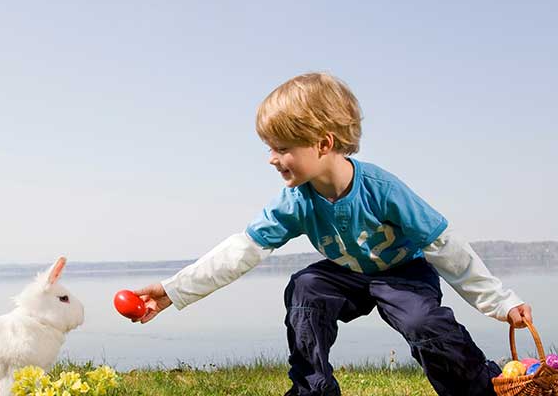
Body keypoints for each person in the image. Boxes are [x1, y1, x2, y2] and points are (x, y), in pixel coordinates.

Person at [134, 72, 533, 396]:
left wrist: (500, 302)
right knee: (307, 287)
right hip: (346, 274)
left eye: (280, 147)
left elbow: (446, 247)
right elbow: (242, 250)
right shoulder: (296, 200)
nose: (271, 158)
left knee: (423, 323)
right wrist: (173, 290)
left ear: (322, 143)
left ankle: (478, 388)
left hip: (404, 274)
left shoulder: (383, 190)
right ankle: (313, 389)